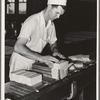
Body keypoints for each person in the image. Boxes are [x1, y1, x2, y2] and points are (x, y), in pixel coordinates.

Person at [9, 0, 67, 78]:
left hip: (34, 62)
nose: (58, 17)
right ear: (49, 6)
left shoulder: (51, 25)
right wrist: (41, 58)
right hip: (20, 63)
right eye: (57, 13)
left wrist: (55, 50)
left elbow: (53, 42)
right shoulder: (33, 21)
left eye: (60, 14)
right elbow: (18, 47)